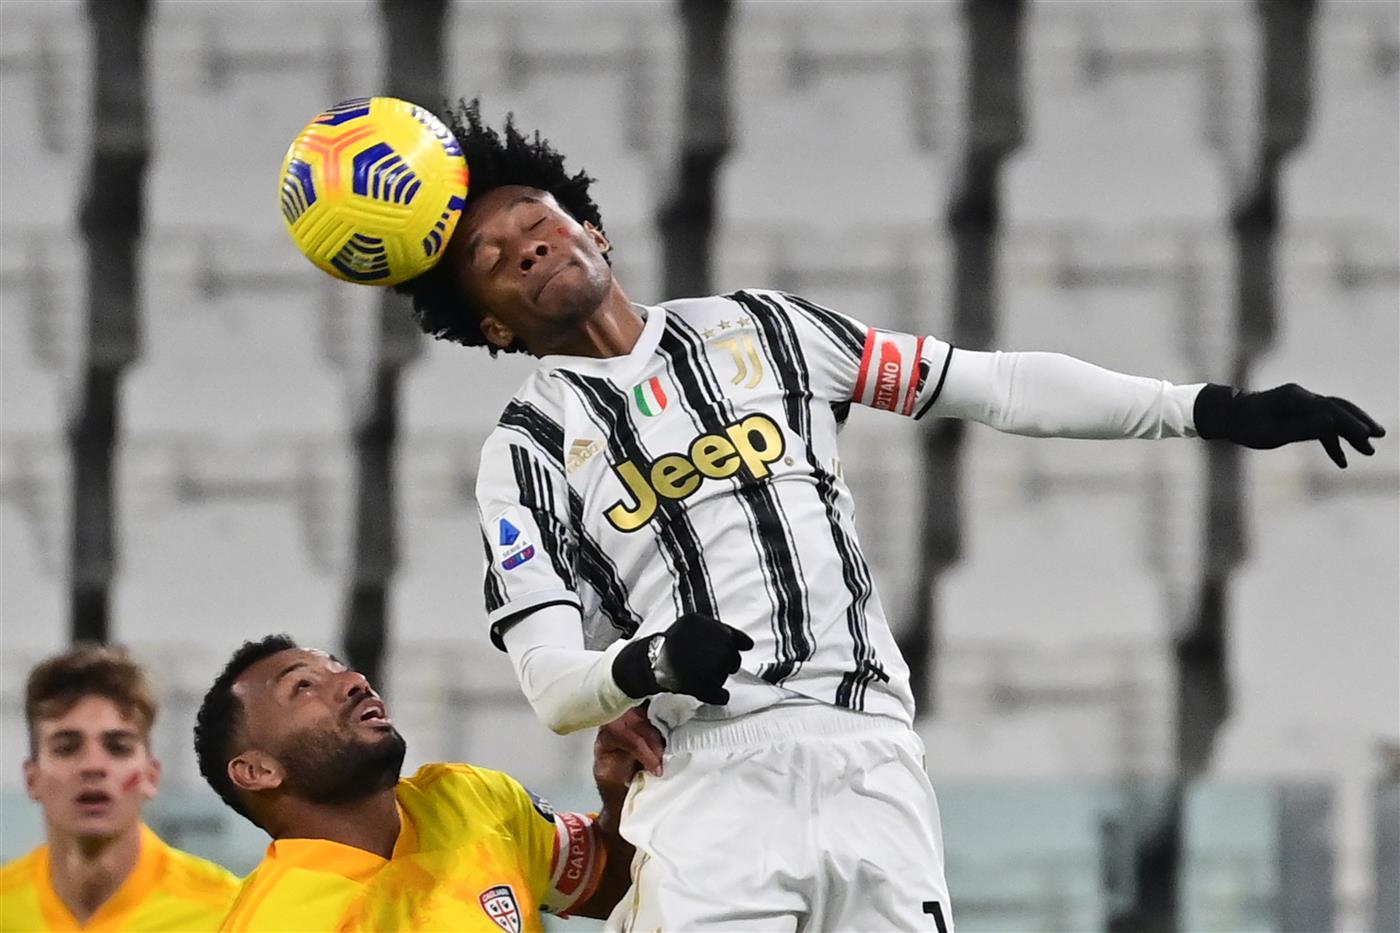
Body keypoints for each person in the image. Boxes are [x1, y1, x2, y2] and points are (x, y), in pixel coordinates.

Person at [394, 99, 1386, 932]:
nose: (526, 249)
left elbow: (990, 386)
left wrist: (1204, 408)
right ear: (489, 322)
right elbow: (551, 685)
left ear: (591, 229)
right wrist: (649, 663)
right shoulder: (523, 451)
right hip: (708, 777)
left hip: (868, 752)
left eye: (536, 220)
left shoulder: (766, 330)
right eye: (491, 258)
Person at [192, 634, 649, 932]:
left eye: (339, 668)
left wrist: (620, 792)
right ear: (258, 771)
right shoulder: (278, 922)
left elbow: (613, 885)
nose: (354, 681)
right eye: (303, 687)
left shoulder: (470, 797)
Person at [0, 645, 239, 932]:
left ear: (150, 776)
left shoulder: (226, 912)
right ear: (32, 778)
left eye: (118, 748)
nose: (93, 766)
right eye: (66, 748)